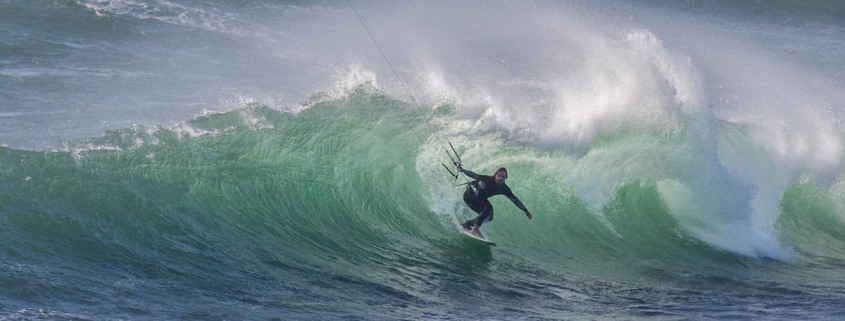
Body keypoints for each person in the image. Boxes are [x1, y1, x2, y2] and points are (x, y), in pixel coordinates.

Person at [457, 164, 532, 238]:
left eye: (503, 177)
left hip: (480, 199)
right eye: (499, 176)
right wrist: (463, 170)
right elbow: (474, 175)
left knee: (489, 216)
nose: (501, 178)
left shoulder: (504, 188)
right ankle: (475, 229)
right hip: (470, 195)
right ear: (495, 175)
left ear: (505, 178)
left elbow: (515, 200)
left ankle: (467, 224)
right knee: (488, 207)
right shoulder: (487, 179)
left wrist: (525, 211)